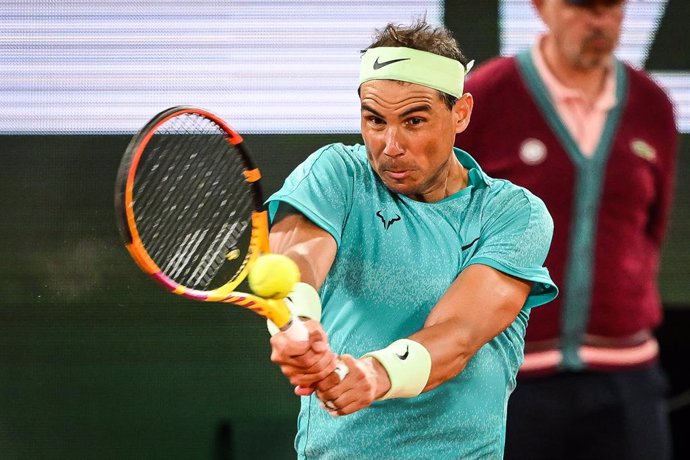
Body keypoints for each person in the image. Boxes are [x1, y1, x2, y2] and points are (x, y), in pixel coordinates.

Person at [265, 20, 558, 459]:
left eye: (414, 121)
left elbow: (458, 334)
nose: (390, 144)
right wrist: (297, 323)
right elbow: (297, 261)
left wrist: (374, 375)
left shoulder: (514, 214)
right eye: (374, 120)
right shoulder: (337, 174)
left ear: (460, 112)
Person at [454, 1, 679, 459]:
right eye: (580, 5)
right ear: (540, 7)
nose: (597, 19)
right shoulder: (484, 98)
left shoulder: (652, 104)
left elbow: (652, 228)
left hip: (627, 375)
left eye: (610, 5)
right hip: (506, 375)